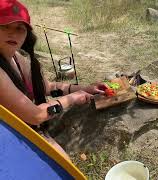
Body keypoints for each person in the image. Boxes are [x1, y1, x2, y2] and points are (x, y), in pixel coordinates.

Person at [0, 0, 107, 159]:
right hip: (11, 139)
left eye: (19, 29)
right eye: (4, 26)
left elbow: (48, 87)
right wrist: (71, 99)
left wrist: (85, 89)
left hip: (27, 128)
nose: (13, 33)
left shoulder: (16, 57)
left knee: (65, 161)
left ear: (26, 35)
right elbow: (36, 115)